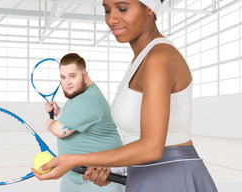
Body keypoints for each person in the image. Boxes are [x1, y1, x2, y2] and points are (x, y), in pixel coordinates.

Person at [32, 0, 218, 191]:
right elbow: (135, 140)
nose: (111, 19)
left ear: (149, 9)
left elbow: (151, 147)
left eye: (122, 8)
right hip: (145, 176)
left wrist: (74, 160)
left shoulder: (159, 58)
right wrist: (116, 169)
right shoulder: (140, 60)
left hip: (172, 178)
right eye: (106, 10)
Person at [42, 53, 124, 192]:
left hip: (100, 179)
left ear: (85, 75)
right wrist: (60, 112)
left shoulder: (88, 99)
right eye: (63, 77)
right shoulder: (79, 94)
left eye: (72, 76)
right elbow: (81, 121)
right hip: (74, 175)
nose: (67, 82)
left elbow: (59, 131)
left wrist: (50, 122)